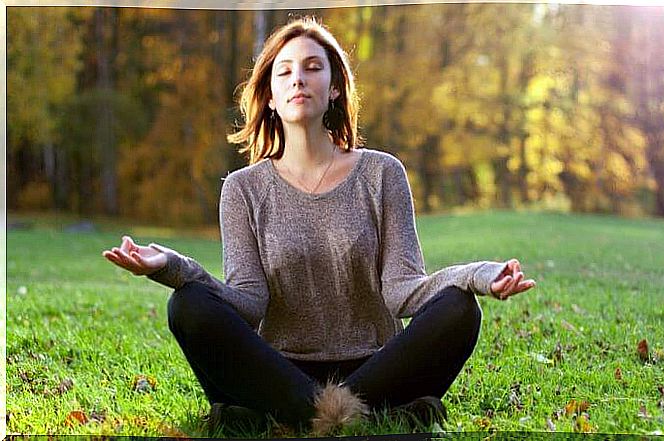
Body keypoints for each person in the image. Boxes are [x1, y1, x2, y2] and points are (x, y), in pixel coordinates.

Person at [102, 17, 536, 436]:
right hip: (279, 371)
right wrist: (170, 266)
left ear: (333, 89)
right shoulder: (242, 189)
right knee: (187, 305)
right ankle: (366, 414)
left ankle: (281, 416)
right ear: (270, 95)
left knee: (460, 310)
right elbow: (248, 303)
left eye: (312, 68)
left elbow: (405, 289)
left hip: (376, 367)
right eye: (284, 71)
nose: (298, 79)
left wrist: (480, 276)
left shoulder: (382, 174)